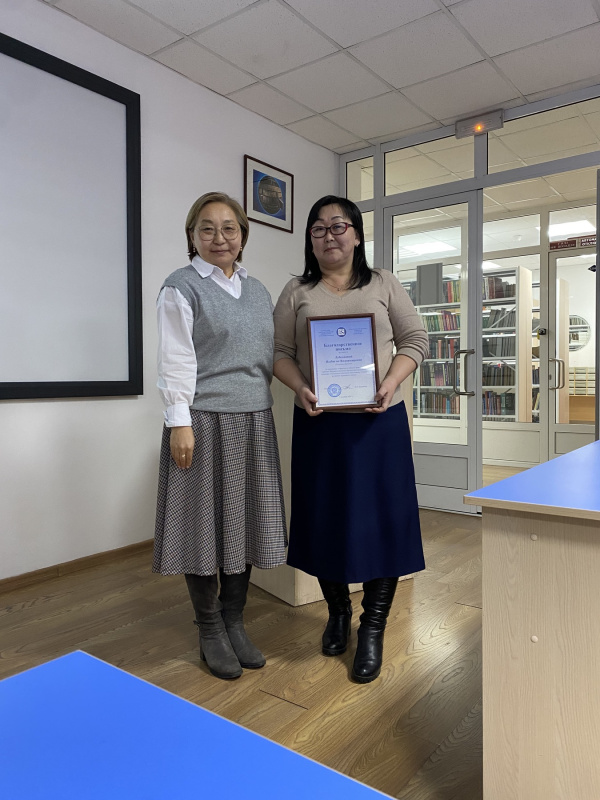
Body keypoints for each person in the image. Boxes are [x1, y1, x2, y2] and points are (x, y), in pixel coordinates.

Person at [273, 195, 428, 683]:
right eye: (319, 228)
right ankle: (338, 612)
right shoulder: (297, 290)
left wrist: (390, 382)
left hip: (379, 424)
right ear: (310, 240)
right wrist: (300, 387)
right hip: (320, 424)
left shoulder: (383, 283)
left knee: (385, 521)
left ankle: (373, 625)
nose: (329, 235)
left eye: (339, 226)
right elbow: (279, 353)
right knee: (325, 519)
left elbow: (416, 339)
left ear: (357, 235)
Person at [154, 191, 287, 681]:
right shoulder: (181, 286)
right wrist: (179, 421)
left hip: (254, 419)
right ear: (192, 236)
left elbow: (269, 355)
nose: (219, 237)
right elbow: (175, 358)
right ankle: (209, 627)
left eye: (229, 228)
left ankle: (234, 620)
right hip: (202, 420)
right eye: (206, 228)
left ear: (243, 236)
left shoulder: (257, 290)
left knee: (243, 523)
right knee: (201, 525)